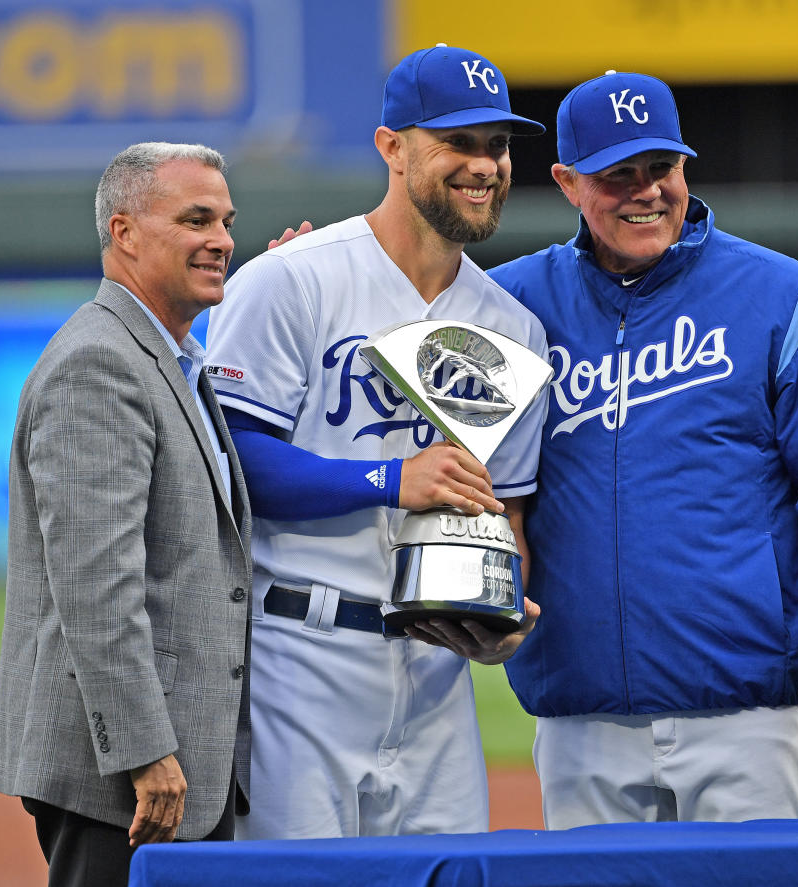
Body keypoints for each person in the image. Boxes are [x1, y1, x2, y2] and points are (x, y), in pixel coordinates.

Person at [454, 70, 798, 826]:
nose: (646, 191)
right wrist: (296, 267)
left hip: (748, 718)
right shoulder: (507, 304)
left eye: (659, 167)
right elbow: (389, 343)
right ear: (568, 182)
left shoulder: (780, 297)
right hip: (581, 722)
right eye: (617, 175)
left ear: (684, 166)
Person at [203, 44, 548, 839]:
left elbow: (510, 519)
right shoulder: (292, 279)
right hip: (301, 653)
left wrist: (501, 613)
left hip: (436, 674)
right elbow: (233, 462)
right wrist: (390, 479)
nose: (485, 164)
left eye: (497, 144)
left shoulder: (513, 328)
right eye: (458, 142)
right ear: (391, 148)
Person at [0, 142, 254, 886]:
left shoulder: (172, 357)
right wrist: (145, 749)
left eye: (227, 220)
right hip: (127, 775)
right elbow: (96, 584)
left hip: (174, 760)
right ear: (124, 232)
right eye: (196, 218)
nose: (222, 239)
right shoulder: (98, 363)